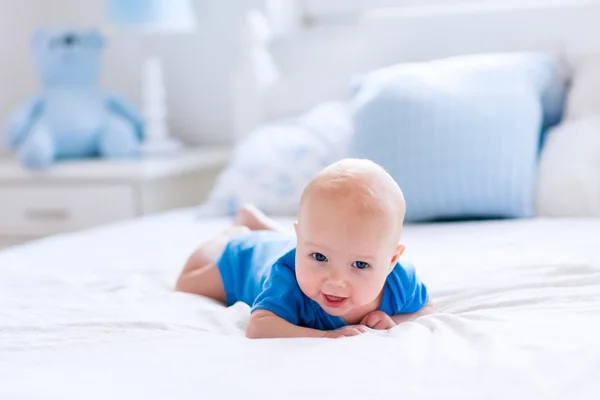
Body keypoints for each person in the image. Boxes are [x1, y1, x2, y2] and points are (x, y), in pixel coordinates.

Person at [175, 158, 432, 338]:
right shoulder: (287, 279)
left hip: (292, 243)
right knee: (185, 285)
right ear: (301, 243)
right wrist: (325, 336)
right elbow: (259, 326)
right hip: (244, 260)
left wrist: (395, 321)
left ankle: (261, 224)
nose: (336, 281)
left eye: (360, 265)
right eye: (319, 257)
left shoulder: (399, 281)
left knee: (327, 243)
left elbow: (425, 307)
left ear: (391, 261)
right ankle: (231, 233)